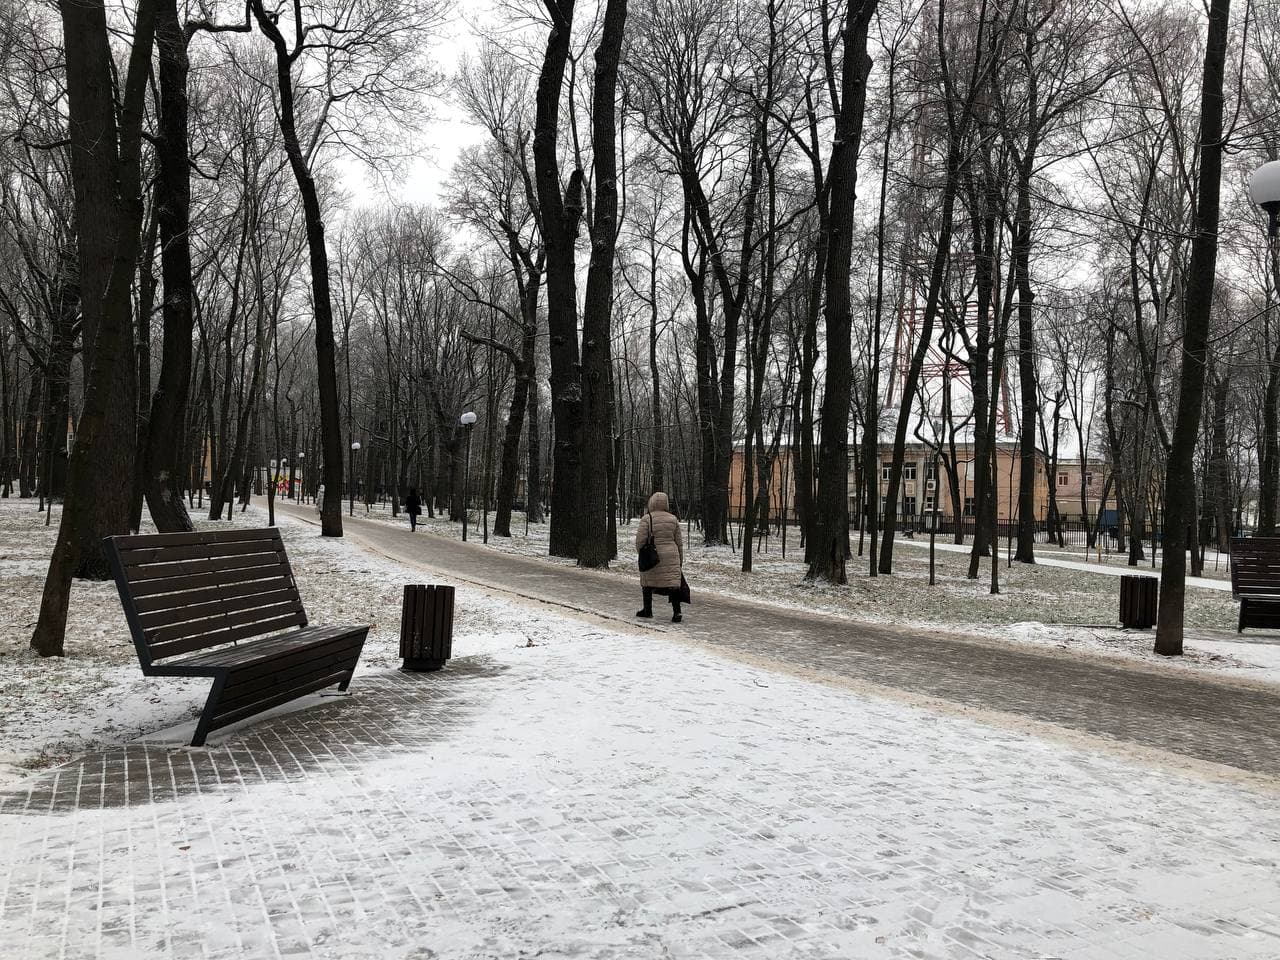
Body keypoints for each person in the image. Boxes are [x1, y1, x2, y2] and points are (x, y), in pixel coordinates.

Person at [635, 491, 684, 623]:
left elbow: (640, 541)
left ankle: (647, 610)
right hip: (671, 555)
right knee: (673, 585)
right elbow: (679, 542)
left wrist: (642, 553)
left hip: (653, 555)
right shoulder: (673, 519)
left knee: (647, 583)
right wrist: (680, 559)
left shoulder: (647, 518)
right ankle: (677, 612)